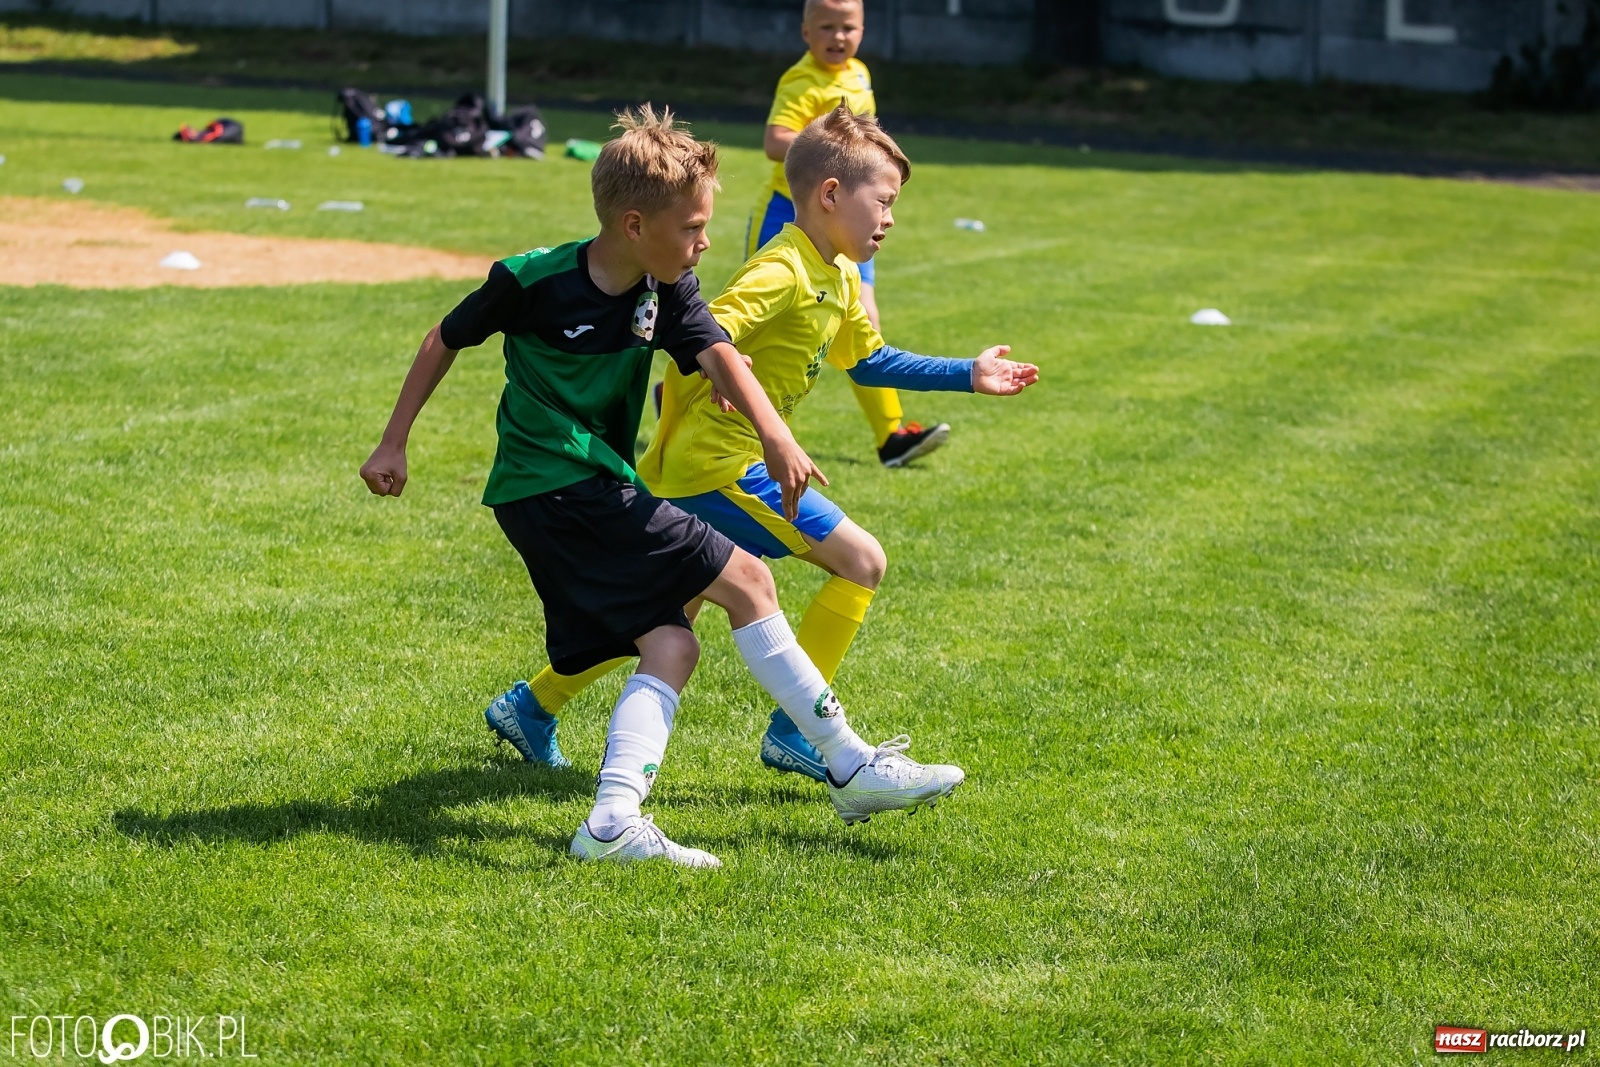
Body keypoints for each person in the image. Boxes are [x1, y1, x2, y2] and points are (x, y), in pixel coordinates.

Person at [360, 106, 962, 868]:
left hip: (588, 487)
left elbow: (720, 354)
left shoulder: (666, 290)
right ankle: (848, 763)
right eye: (692, 228)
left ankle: (611, 819)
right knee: (748, 580)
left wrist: (776, 435)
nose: (705, 242)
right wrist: (393, 440)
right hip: (552, 481)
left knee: (672, 641)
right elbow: (444, 337)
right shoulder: (533, 279)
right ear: (635, 224)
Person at [525, 105, 1039, 784]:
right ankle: (798, 736)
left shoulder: (839, 274)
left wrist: (967, 374)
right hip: (718, 465)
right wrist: (718, 374)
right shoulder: (783, 270)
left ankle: (531, 705)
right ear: (830, 194)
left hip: (712, 464)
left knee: (668, 616)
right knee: (861, 560)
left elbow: (868, 360)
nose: (890, 218)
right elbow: (705, 331)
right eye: (883, 201)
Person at [751, 0, 951, 468]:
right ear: (805, 32)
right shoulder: (801, 81)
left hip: (849, 215)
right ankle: (690, 393)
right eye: (826, 27)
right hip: (794, 211)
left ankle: (891, 435)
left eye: (847, 27)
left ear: (863, 30)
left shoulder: (859, 74)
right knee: (769, 328)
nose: (837, 37)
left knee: (864, 317)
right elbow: (774, 140)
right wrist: (834, 152)